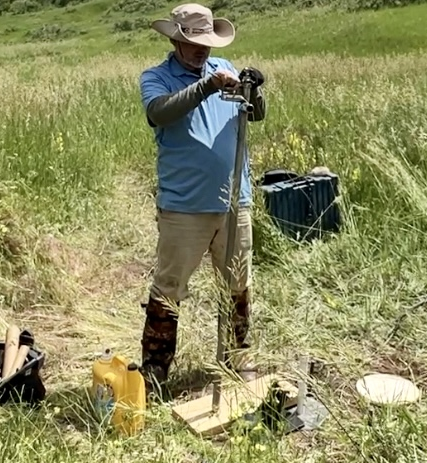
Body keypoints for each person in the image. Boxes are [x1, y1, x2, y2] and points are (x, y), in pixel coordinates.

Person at [137, 3, 267, 392]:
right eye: (193, 42)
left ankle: (237, 357)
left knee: (238, 283)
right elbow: (159, 113)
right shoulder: (157, 78)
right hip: (184, 207)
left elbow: (255, 114)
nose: (202, 50)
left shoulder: (222, 67)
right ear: (175, 39)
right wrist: (206, 87)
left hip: (233, 202)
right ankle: (155, 370)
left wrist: (254, 90)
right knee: (169, 289)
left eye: (206, 43)